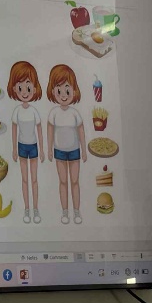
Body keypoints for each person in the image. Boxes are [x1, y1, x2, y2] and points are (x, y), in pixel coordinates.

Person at [46, 64, 87, 225]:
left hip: (75, 150)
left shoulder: (75, 113)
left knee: (75, 181)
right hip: (59, 151)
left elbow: (81, 131)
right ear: (53, 91)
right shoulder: (54, 113)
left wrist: (84, 150)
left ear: (74, 91)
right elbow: (50, 131)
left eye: (67, 90)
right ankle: (65, 211)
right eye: (59, 90)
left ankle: (76, 211)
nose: (63, 95)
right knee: (63, 182)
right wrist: (49, 149)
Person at [8, 61, 44, 224]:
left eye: (28, 87)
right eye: (20, 87)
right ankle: (26, 208)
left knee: (34, 179)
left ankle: (36, 208)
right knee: (24, 180)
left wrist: (42, 150)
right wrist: (14, 149)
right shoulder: (16, 111)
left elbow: (40, 131)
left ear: (34, 89)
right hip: (22, 146)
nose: (24, 92)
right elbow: (14, 130)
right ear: (14, 89)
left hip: (33, 146)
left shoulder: (34, 111)